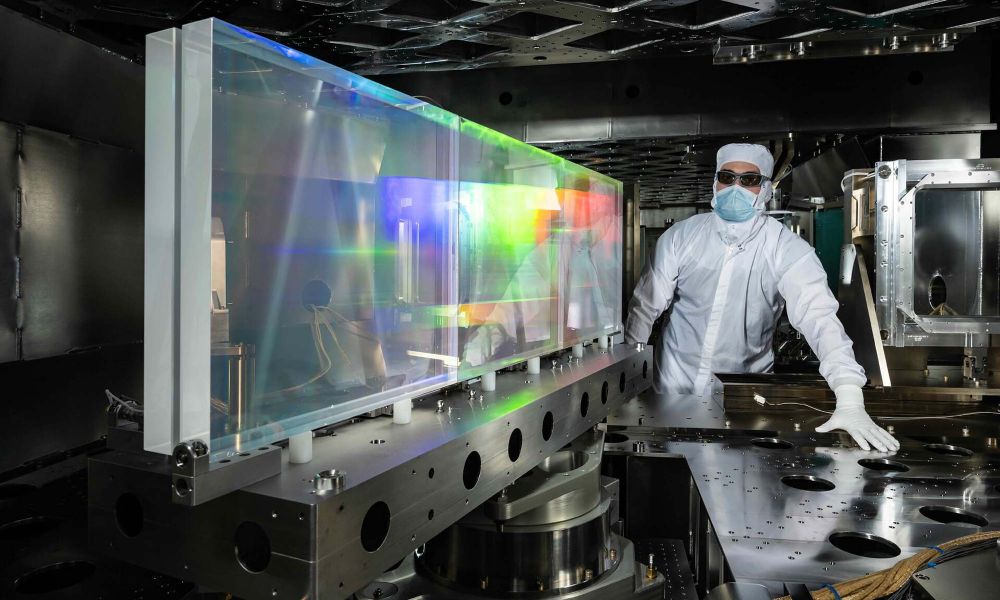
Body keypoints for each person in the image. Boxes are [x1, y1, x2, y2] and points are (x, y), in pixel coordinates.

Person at [624, 143, 899, 452]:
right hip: (670, 393)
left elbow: (819, 319)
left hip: (742, 404)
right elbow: (644, 308)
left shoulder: (787, 249)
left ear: (766, 189)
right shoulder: (681, 237)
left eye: (749, 180)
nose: (735, 187)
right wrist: (626, 381)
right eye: (727, 177)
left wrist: (849, 395)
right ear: (715, 182)